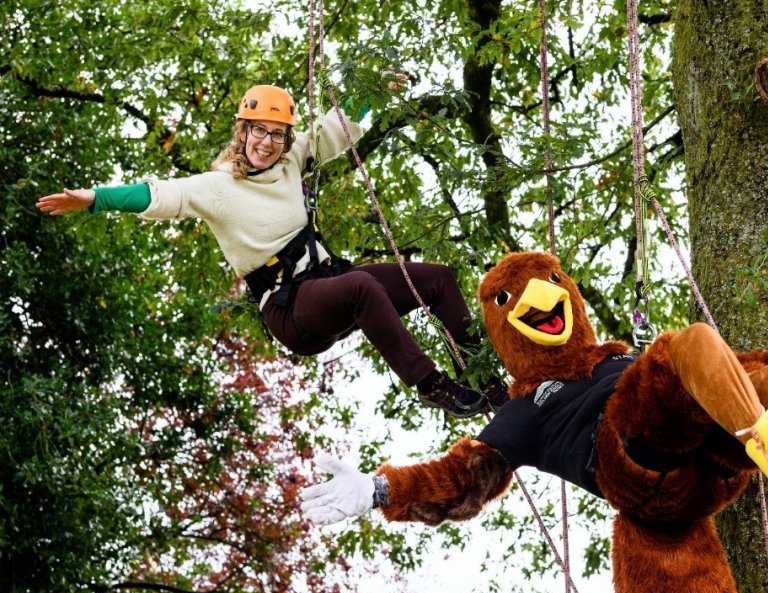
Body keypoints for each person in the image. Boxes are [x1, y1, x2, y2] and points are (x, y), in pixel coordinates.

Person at [37, 84, 506, 418]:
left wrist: (373, 90)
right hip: (291, 311)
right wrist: (95, 199)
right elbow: (160, 195)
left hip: (329, 284)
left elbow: (334, 130)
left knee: (437, 279)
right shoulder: (217, 187)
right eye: (258, 132)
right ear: (242, 132)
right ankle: (433, 385)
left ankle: (489, 379)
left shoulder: (289, 160)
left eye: (276, 135)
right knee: (362, 285)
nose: (266, 143)